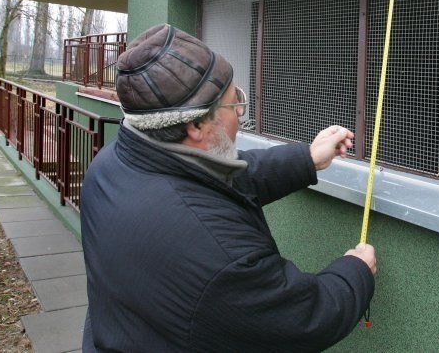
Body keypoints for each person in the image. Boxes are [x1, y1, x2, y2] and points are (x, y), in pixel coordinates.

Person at [81, 24, 377, 352]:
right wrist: (356, 270)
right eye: (235, 102)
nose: (240, 112)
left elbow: (222, 177)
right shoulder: (218, 254)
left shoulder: (110, 167)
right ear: (196, 125)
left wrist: (306, 159)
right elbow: (303, 318)